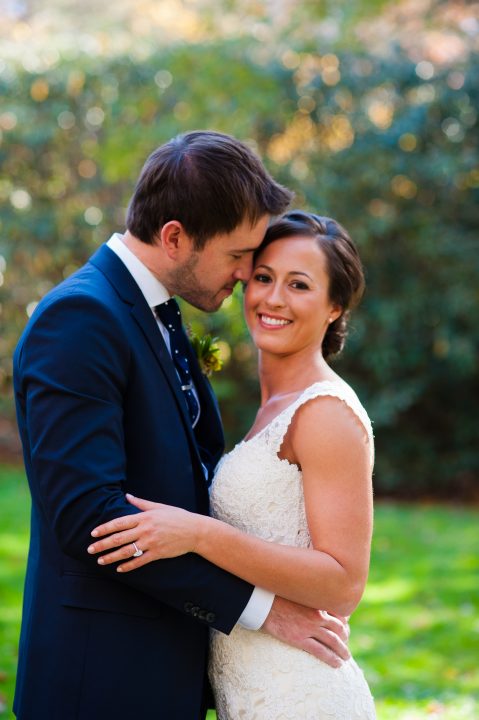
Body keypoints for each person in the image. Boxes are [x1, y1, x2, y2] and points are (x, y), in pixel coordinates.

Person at [12, 133, 351, 720]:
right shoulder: (81, 319)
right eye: (239, 255)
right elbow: (90, 518)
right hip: (102, 681)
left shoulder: (158, 313)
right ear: (174, 237)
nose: (248, 275)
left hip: (168, 671)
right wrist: (263, 611)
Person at [88, 210, 376, 719]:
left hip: (299, 693)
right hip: (244, 686)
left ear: (334, 307)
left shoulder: (326, 412)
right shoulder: (273, 406)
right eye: (263, 277)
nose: (273, 299)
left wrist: (200, 534)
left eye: (299, 285)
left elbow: (343, 583)